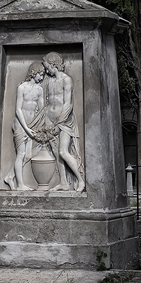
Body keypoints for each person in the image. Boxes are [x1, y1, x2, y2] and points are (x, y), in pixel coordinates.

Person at [42, 52, 85, 192]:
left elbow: (68, 104)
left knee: (63, 151)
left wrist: (59, 122)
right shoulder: (50, 81)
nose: (46, 70)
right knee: (56, 152)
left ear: (54, 64)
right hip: (49, 119)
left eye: (47, 67)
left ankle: (81, 180)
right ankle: (63, 183)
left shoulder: (67, 80)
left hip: (64, 121)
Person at [4, 62, 46, 190]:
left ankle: (10, 176)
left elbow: (41, 110)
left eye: (43, 75)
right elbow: (18, 110)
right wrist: (26, 128)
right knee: (21, 154)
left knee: (28, 155)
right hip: (21, 125)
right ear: (34, 72)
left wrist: (40, 126)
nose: (41, 77)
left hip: (32, 125)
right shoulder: (22, 87)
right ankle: (20, 185)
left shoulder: (40, 90)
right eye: (40, 74)